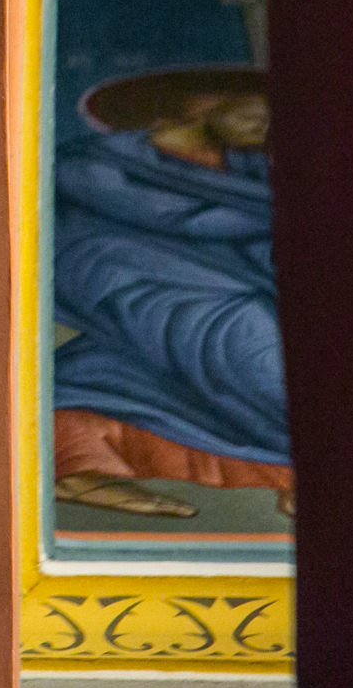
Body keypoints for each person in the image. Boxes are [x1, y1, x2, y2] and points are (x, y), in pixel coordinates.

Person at [49, 68, 294, 521]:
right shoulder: (94, 166)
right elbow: (80, 249)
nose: (267, 118)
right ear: (194, 101)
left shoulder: (255, 173)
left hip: (236, 289)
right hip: (142, 285)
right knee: (255, 348)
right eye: (253, 104)